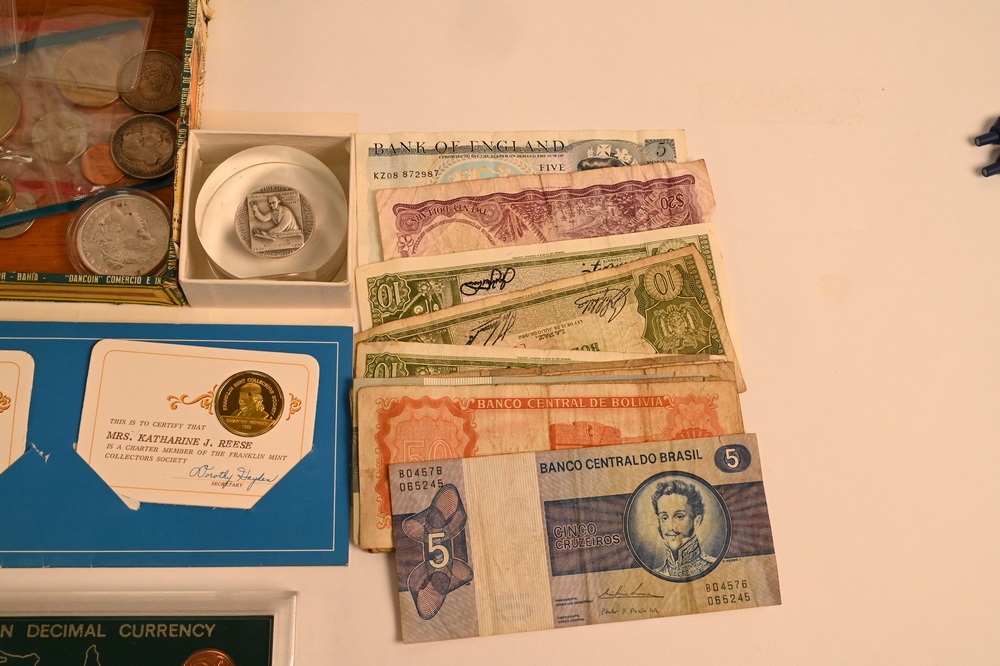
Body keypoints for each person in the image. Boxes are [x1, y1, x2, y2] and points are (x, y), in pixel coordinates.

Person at [651, 478, 714, 578]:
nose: (671, 527)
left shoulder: (713, 566)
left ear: (696, 522)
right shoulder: (654, 575)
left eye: (679, 516)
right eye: (664, 518)